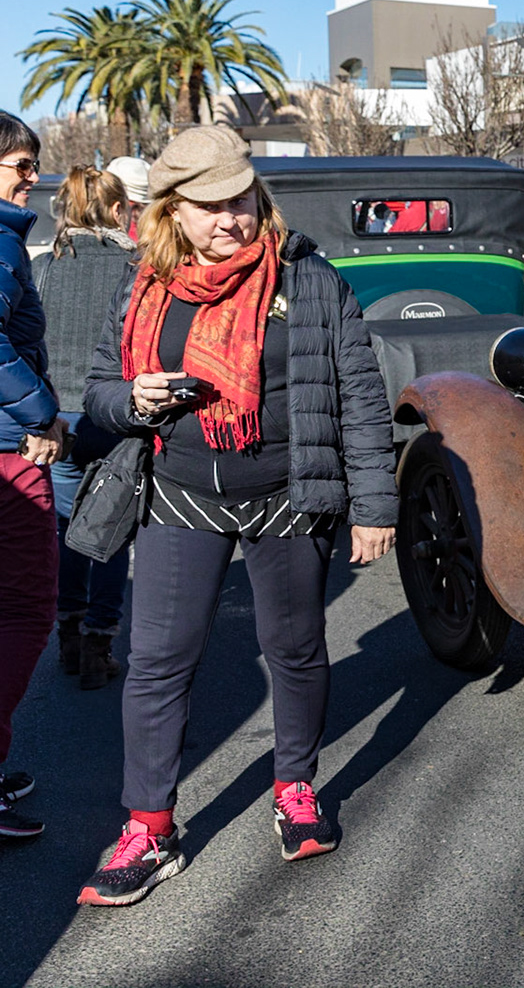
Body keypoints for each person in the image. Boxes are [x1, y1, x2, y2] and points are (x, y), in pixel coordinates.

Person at [78, 126, 396, 904]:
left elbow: (359, 392)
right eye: (210, 206)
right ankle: (149, 828)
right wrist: (131, 400)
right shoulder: (141, 284)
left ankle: (295, 787)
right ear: (172, 214)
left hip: (289, 497)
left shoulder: (311, 279)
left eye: (242, 200)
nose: (231, 219)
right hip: (178, 496)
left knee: (294, 649)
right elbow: (95, 390)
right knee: (157, 662)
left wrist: (374, 504)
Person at [34, 168, 137, 690]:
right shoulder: (135, 267)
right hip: (116, 413)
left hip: (57, 417)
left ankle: (68, 636)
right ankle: (100, 642)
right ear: (119, 212)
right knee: (111, 531)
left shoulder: (44, 267)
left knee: (66, 530)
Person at [0, 113, 66, 841]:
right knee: (25, 608)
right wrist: (42, 412)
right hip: (10, 454)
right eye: (20, 162)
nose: (31, 175)